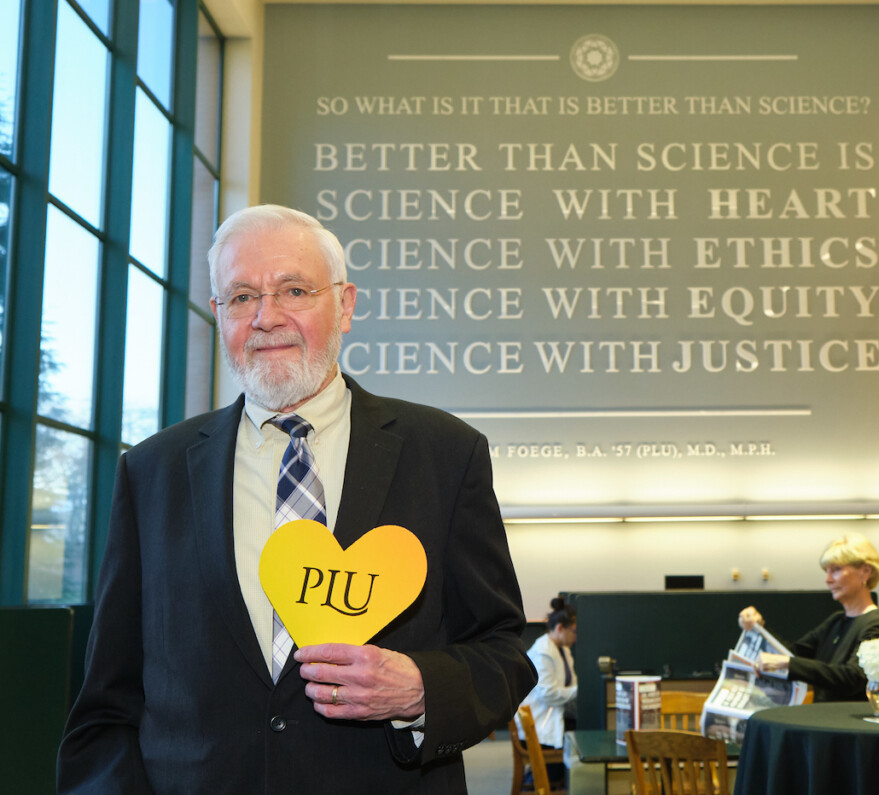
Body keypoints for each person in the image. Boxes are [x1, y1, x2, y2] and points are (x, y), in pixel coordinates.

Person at [57, 204, 537, 793]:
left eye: (294, 290)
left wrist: (419, 689)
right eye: (240, 297)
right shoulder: (150, 472)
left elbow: (502, 651)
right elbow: (108, 704)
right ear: (218, 315)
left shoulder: (444, 454)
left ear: (346, 305)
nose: (265, 317)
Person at [737, 533, 879, 702]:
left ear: (865, 572)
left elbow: (853, 678)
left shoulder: (877, 625)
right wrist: (758, 627)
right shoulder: (835, 621)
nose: (828, 579)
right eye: (827, 571)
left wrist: (788, 664)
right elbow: (793, 654)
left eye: (836, 570)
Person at [518, 597, 578, 786]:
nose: (576, 636)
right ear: (560, 628)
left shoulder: (563, 650)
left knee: (582, 727)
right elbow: (549, 694)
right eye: (574, 631)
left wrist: (576, 690)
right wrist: (579, 691)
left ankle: (564, 779)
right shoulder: (542, 652)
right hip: (541, 723)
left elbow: (570, 684)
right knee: (580, 735)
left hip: (554, 715)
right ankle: (548, 780)